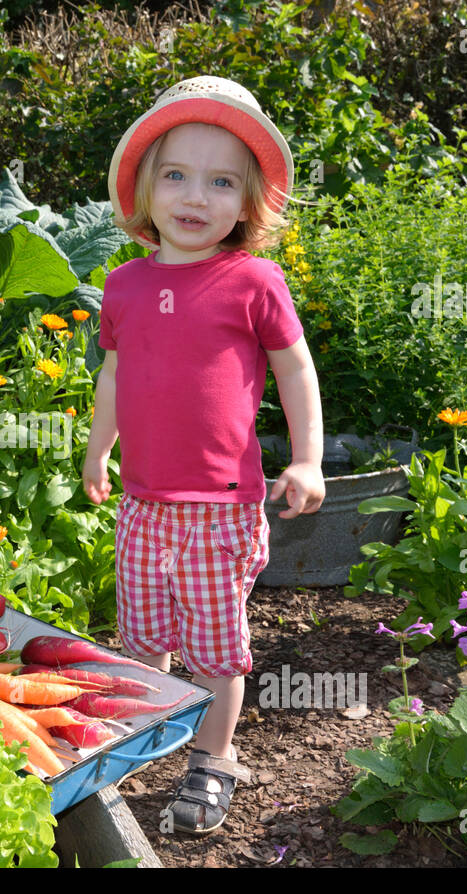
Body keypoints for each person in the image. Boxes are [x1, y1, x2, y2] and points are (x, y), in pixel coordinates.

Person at [81, 76, 326, 835]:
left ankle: (213, 759)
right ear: (146, 190)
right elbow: (115, 376)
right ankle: (143, 743)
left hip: (220, 511)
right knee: (145, 642)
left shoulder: (252, 280)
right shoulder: (122, 285)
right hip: (143, 505)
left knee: (216, 653)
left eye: (222, 181)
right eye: (176, 175)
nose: (195, 196)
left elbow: (295, 367)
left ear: (249, 203)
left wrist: (309, 457)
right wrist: (98, 453)